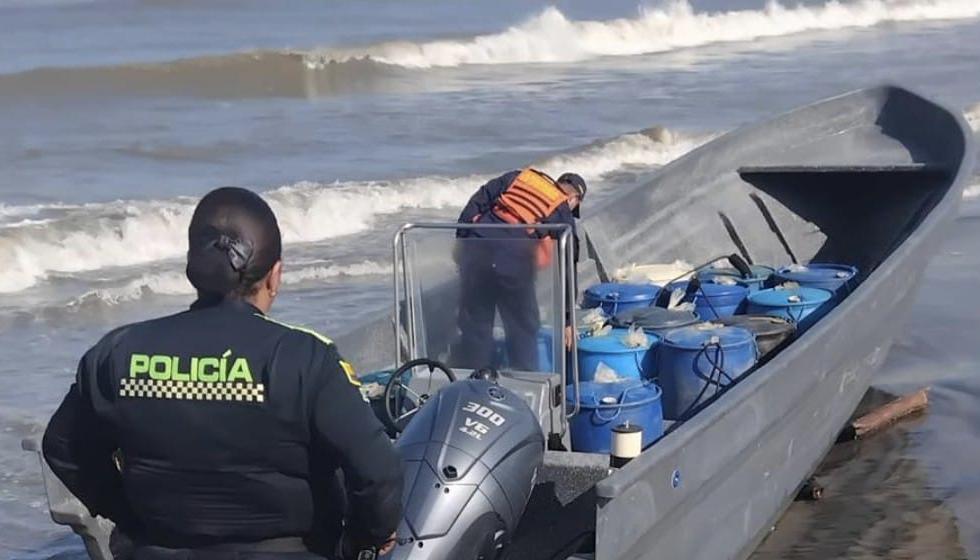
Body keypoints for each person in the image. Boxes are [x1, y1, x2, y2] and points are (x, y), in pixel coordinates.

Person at [42, 187, 403, 559]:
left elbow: (64, 448)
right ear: (275, 276)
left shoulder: (116, 353)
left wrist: (130, 515)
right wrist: (359, 541)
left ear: (191, 268)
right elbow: (378, 474)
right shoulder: (306, 358)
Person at [453, 169, 586, 371]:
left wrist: (462, 245)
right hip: (513, 265)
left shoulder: (519, 177)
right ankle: (524, 386)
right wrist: (568, 319)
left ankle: (471, 387)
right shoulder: (561, 207)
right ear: (573, 198)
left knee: (476, 327)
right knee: (523, 327)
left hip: (475, 254)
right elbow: (568, 264)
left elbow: (476, 203)